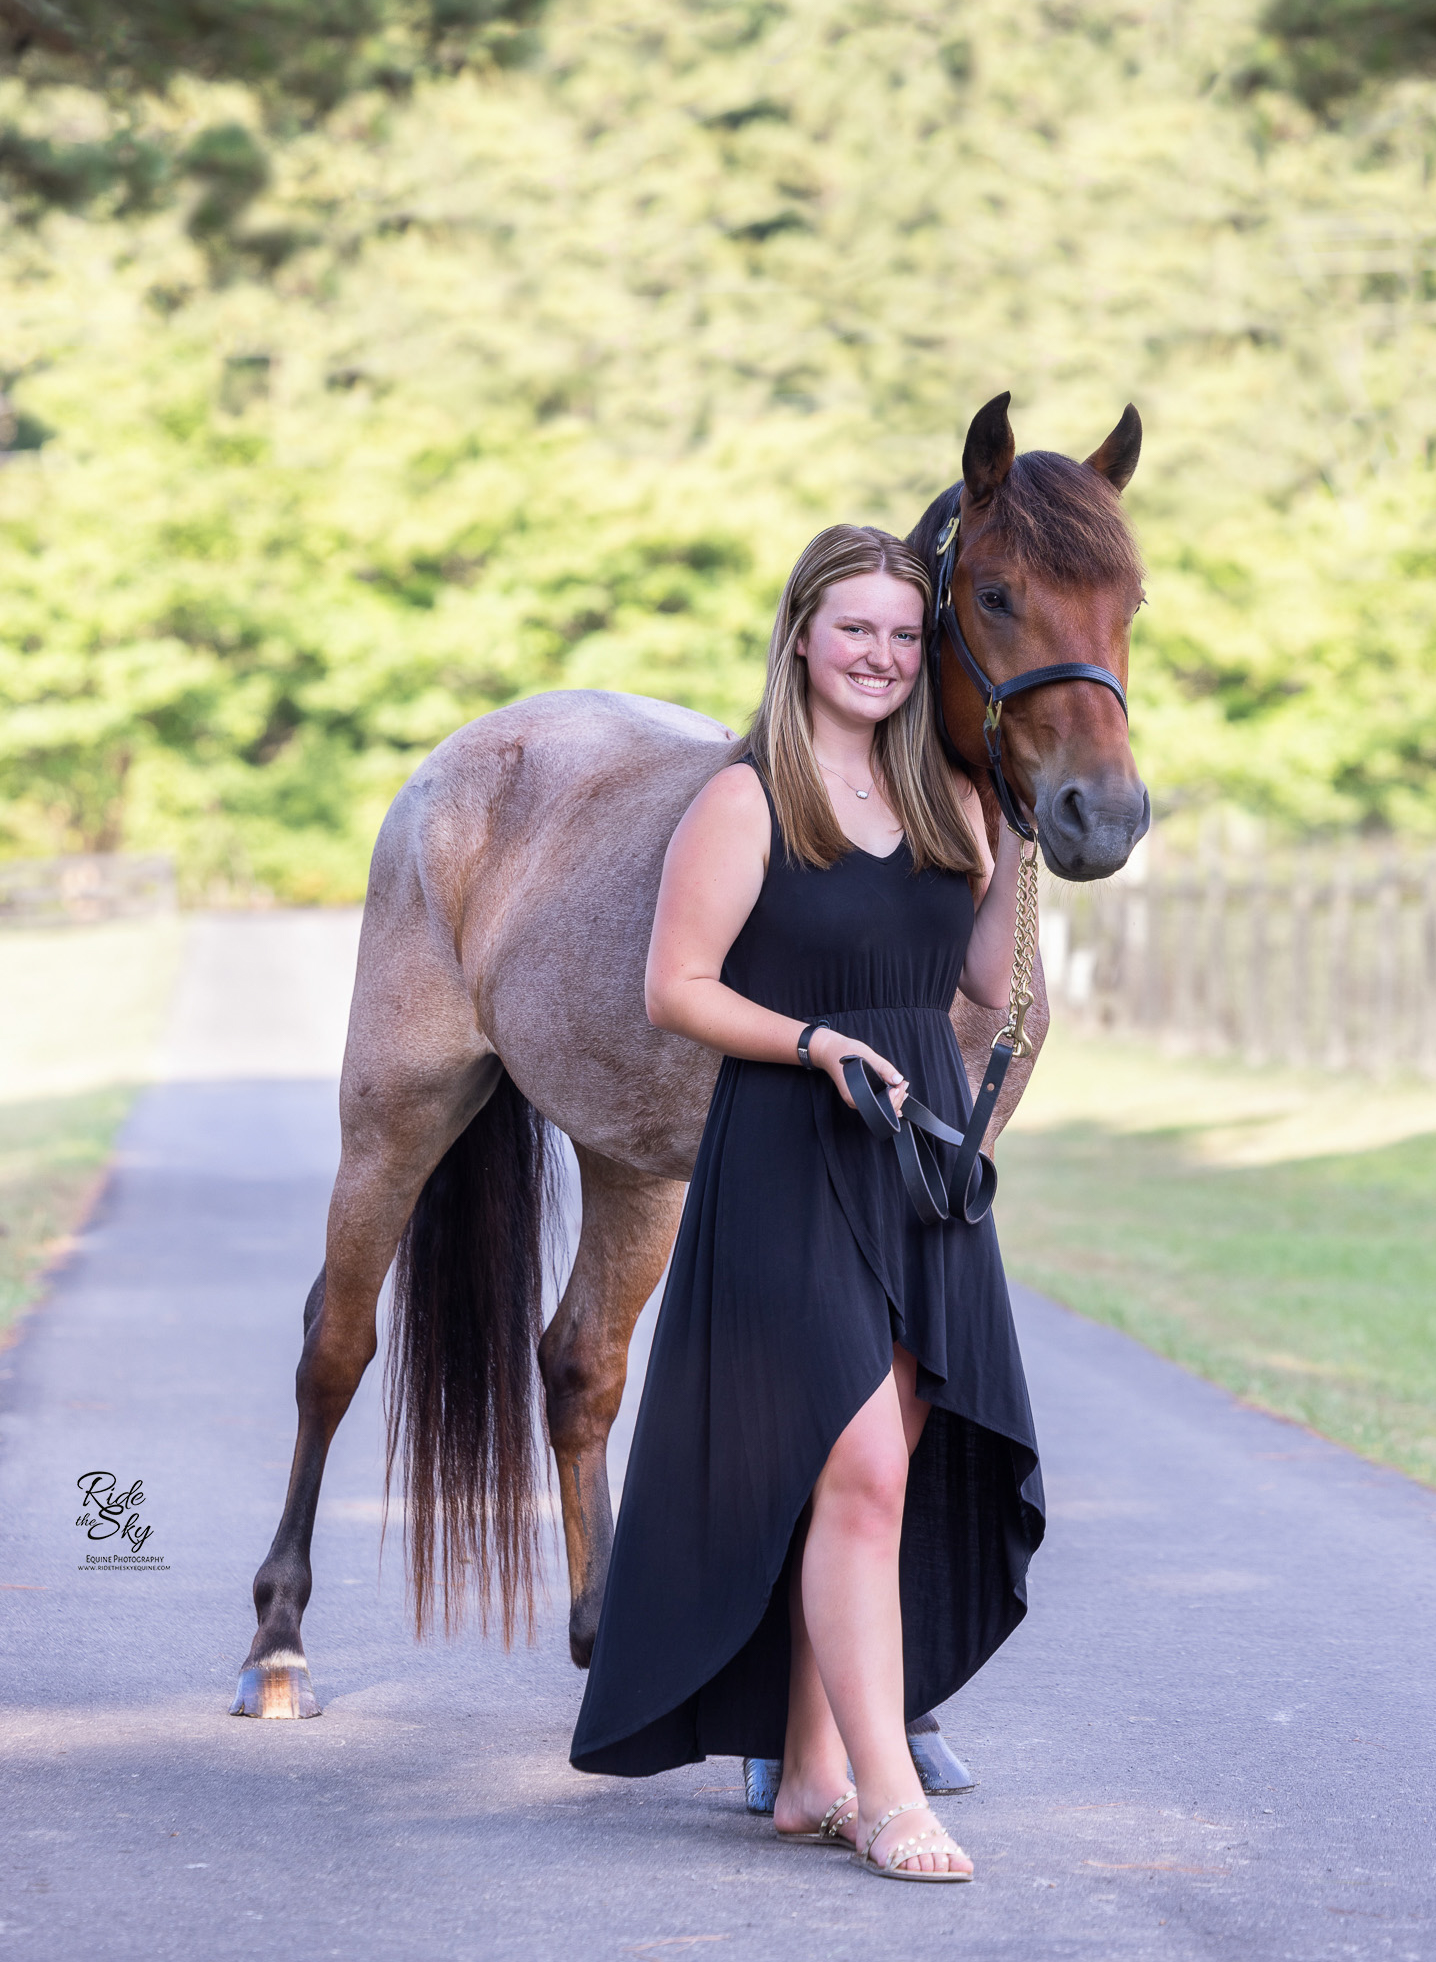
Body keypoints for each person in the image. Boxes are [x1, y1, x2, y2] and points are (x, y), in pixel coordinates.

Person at [569, 523, 1045, 1883]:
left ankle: (811, 1776)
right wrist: (814, 1044)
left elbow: (982, 978)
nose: (884, 657)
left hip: (919, 1159)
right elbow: (677, 988)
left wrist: (1015, 835)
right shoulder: (745, 797)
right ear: (801, 638)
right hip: (793, 1139)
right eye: (858, 632)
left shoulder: (948, 793)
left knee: (873, 1481)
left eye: (905, 635)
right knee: (866, 1470)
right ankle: (890, 1791)